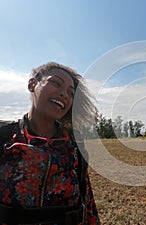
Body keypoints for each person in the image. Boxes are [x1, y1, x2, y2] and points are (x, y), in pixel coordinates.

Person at [0, 62, 101, 224]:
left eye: (71, 92)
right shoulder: (4, 139)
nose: (64, 94)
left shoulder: (74, 148)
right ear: (32, 84)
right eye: (56, 83)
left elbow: (87, 205)